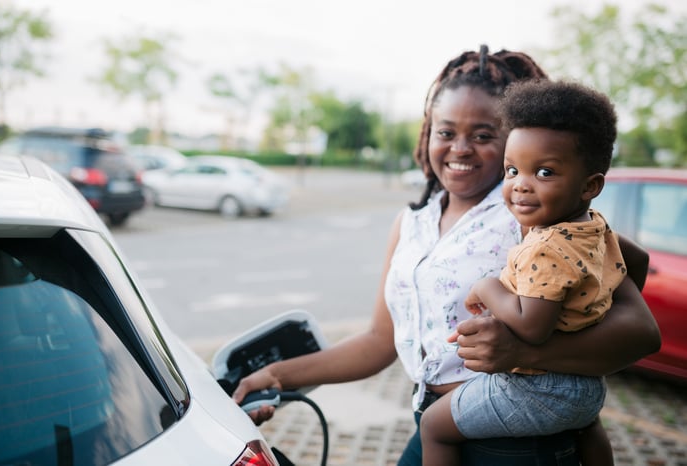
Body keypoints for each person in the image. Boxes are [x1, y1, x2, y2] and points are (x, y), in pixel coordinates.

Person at [232, 46, 661, 466]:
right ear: (428, 133)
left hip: (515, 440)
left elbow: (639, 328)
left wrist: (529, 353)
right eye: (446, 131)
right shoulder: (412, 222)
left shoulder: (530, 213)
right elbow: (379, 342)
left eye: (483, 135)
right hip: (435, 426)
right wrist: (279, 376)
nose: (460, 148)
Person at [419, 79, 635, 466]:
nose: (521, 185)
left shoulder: (546, 244)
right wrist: (590, 307)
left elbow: (531, 327)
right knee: (589, 429)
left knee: (434, 427)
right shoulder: (592, 226)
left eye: (545, 173)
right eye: (513, 169)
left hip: (538, 387)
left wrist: (487, 288)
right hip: (587, 387)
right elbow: (638, 265)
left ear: (591, 185)